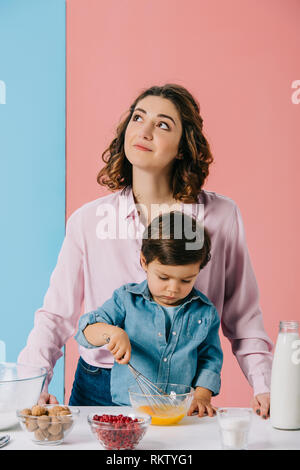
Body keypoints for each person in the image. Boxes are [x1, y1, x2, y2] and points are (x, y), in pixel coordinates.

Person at [18, 83, 273, 418]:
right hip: (99, 388)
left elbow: (244, 319)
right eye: (138, 117)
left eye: (163, 124)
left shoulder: (221, 217)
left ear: (184, 146)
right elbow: (55, 316)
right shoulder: (88, 220)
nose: (145, 130)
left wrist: (267, 388)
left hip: (184, 393)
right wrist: (31, 388)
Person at [73, 211, 223, 417]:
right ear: (144, 262)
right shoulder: (126, 300)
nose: (173, 289)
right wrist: (112, 333)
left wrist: (202, 395)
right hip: (126, 410)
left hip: (176, 411)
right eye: (163, 277)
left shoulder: (205, 312)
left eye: (186, 280)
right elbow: (85, 331)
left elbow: (210, 359)